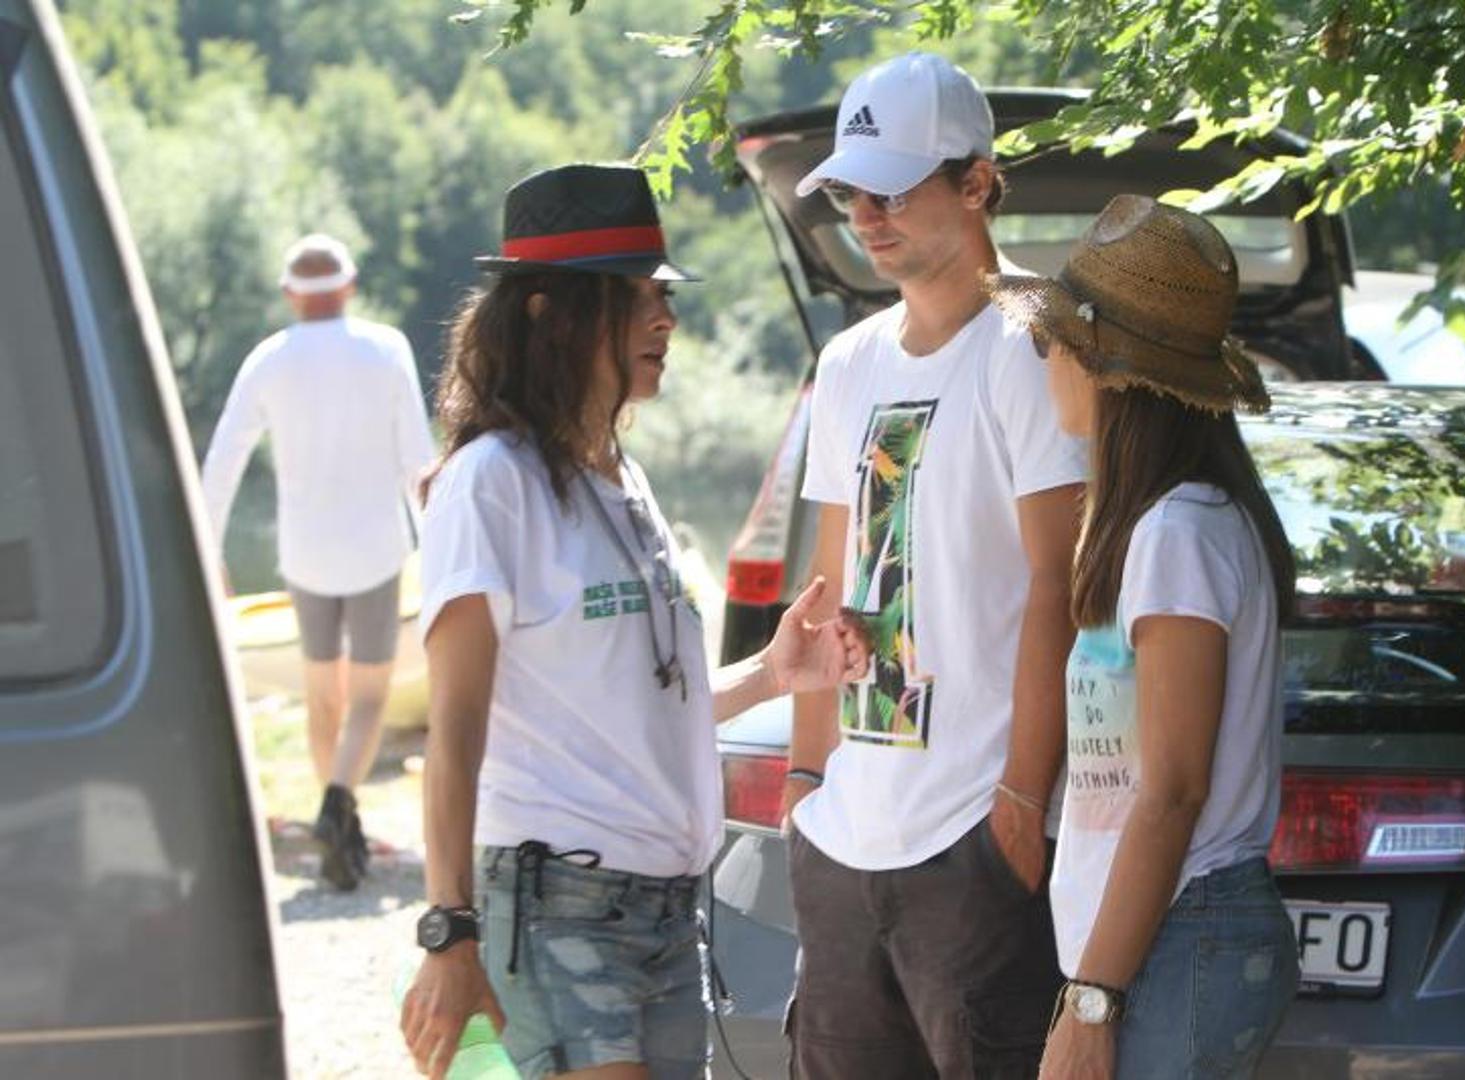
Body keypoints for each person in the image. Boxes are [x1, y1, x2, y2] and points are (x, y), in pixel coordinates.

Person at [397, 163, 869, 1080]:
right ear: (550, 314)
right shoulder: (490, 482)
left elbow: (634, 708)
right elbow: (453, 730)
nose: (666, 321)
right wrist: (447, 932)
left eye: (666, 297)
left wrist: (772, 674)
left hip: (666, 907)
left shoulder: (622, 479)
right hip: (557, 902)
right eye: (637, 297)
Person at [784, 52, 1090, 1078]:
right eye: (849, 192)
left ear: (976, 182)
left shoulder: (1033, 341)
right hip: (845, 837)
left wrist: (1021, 807)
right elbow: (825, 591)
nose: (865, 216)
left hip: (973, 840)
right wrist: (804, 788)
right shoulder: (846, 361)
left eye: (892, 189)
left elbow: (1063, 584)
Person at [984, 194, 1300, 1079]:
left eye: (1054, 340)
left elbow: (1171, 794)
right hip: (1162, 938)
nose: (1043, 357)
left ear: (1105, 364)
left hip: (1181, 934)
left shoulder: (1178, 533)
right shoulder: (1162, 524)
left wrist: (1091, 1002)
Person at [201, 233, 435, 891]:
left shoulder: (268, 359)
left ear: (288, 295)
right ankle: (339, 805)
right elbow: (417, 460)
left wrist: (208, 550)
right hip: (376, 552)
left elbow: (223, 459)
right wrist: (442, 549)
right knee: (368, 697)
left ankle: (336, 818)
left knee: (322, 695)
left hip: (304, 556)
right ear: (350, 286)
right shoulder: (386, 349)